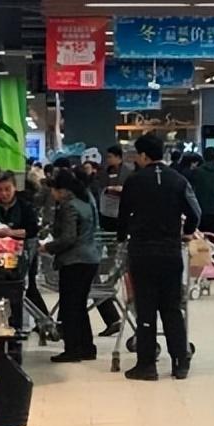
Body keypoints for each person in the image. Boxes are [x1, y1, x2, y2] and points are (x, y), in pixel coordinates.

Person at [118, 134, 201, 381]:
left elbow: (122, 216)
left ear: (144, 155)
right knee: (172, 308)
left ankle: (146, 365)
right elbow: (195, 212)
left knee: (146, 309)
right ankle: (180, 362)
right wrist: (186, 232)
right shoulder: (178, 180)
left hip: (142, 252)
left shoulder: (134, 181)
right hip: (170, 252)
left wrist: (122, 237)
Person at [41, 167, 101, 362]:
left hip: (74, 260)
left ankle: (73, 349)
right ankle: (86, 347)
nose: (52, 194)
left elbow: (68, 238)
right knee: (79, 305)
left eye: (54, 190)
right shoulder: (86, 201)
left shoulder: (68, 206)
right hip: (90, 258)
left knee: (70, 306)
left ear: (62, 190)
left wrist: (48, 247)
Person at [0, 170, 49, 317]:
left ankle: (41, 320)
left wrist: (10, 233)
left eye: (7, 189)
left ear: (15, 188)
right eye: (0, 190)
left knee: (27, 287)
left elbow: (32, 231)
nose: (4, 193)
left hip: (23, 255)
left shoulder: (25, 207)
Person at [94, 144, 133, 336]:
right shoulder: (103, 174)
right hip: (106, 218)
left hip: (119, 219)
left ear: (119, 157)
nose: (108, 160)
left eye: (111, 156)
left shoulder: (128, 174)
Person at [190, 147, 214, 241]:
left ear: (204, 157)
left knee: (202, 238)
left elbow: (192, 191)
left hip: (201, 210)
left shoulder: (197, 172)